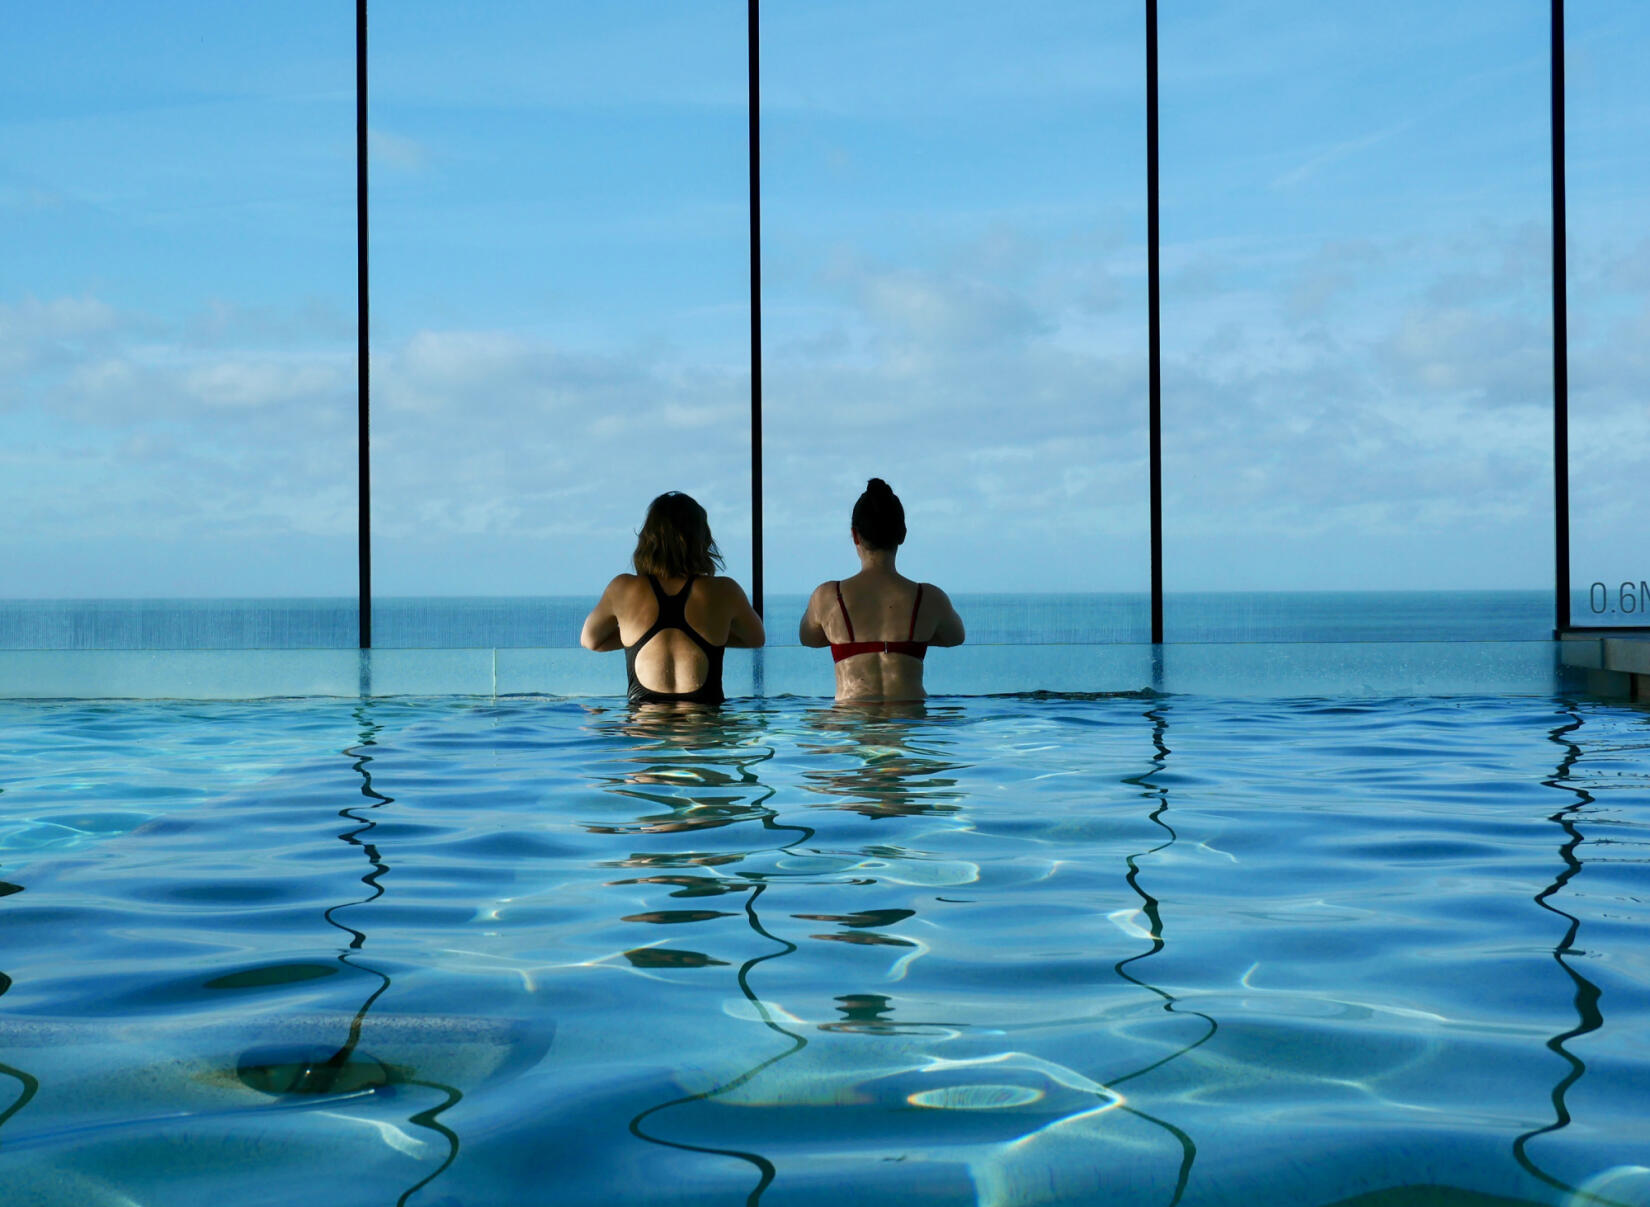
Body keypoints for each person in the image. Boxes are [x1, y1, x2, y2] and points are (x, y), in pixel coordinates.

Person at [581, 492, 764, 705]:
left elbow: (590, 640)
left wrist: (635, 637)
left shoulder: (623, 588)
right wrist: (714, 635)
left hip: (645, 728)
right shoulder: (724, 590)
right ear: (702, 539)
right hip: (704, 727)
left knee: (594, 718)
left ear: (647, 540)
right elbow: (756, 638)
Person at [799, 478, 964, 702]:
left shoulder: (827, 597)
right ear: (902, 534)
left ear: (855, 535)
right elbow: (955, 637)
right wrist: (914, 637)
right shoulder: (930, 598)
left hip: (849, 723)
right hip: (913, 722)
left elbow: (808, 638)